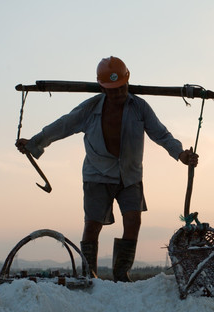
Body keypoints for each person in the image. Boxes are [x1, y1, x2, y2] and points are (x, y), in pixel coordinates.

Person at [16, 56, 198, 282]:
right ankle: (89, 275)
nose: (118, 94)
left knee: (133, 221)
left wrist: (180, 154)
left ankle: (122, 275)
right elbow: (62, 125)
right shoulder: (90, 108)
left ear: (127, 82)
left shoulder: (139, 107)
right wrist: (33, 142)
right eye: (112, 90)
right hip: (97, 175)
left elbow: (161, 134)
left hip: (130, 176)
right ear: (102, 88)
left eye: (121, 88)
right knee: (92, 225)